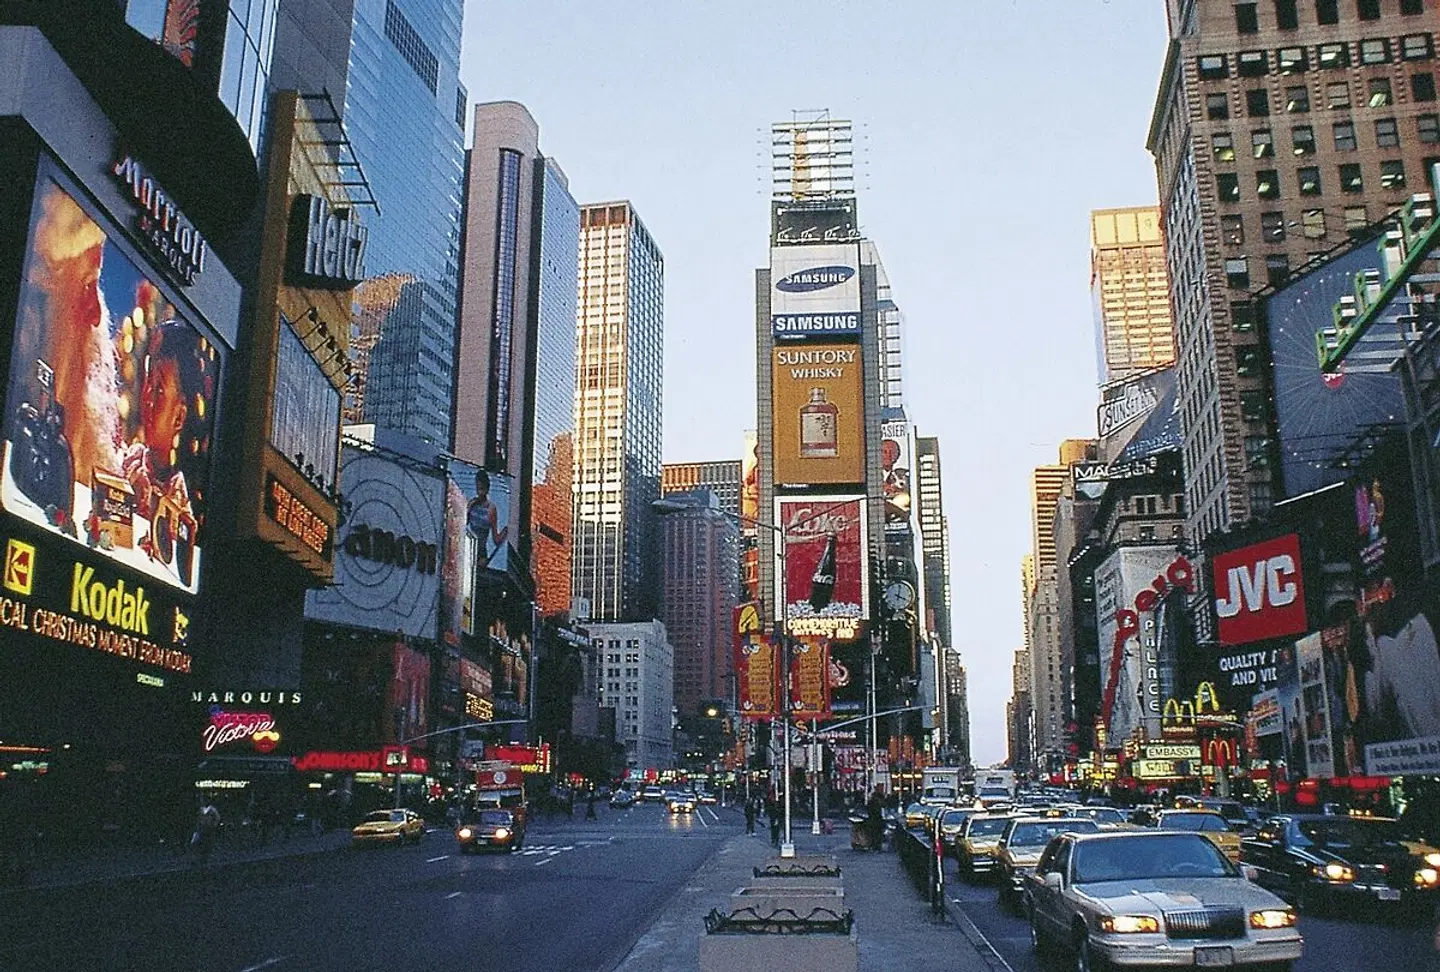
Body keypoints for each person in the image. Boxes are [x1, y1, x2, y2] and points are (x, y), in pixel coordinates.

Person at [466, 471, 509, 568]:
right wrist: (468, 509)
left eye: (481, 489)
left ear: (487, 489)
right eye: (477, 488)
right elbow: (463, 524)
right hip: (468, 548)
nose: (479, 492)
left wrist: (506, 531)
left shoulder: (491, 508)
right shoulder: (472, 503)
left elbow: (496, 540)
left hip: (481, 553)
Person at [866, 784, 887, 851]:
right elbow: (883, 805)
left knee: (876, 833)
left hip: (875, 819)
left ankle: (875, 846)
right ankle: (876, 846)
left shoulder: (874, 798)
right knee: (876, 833)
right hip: (876, 819)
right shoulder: (876, 798)